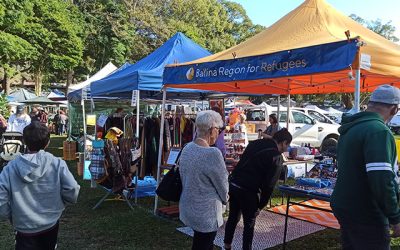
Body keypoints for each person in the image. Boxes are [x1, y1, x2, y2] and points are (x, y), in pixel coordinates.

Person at [331, 84, 400, 250]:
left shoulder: (351, 128)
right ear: (394, 109)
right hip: (367, 211)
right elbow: (381, 179)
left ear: (370, 103)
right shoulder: (378, 131)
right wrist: (395, 218)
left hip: (346, 205)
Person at [0, 122, 80, 249]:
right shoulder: (57, 163)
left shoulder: (10, 168)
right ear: (47, 142)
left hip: (23, 225)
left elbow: (1, 198)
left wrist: (9, 215)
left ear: (24, 142)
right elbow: (72, 189)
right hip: (50, 222)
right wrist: (62, 203)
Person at [224, 128, 292, 250]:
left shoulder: (255, 143)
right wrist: (261, 206)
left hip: (235, 183)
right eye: (288, 145)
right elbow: (269, 185)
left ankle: (227, 245)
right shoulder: (276, 157)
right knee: (249, 223)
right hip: (249, 190)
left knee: (233, 217)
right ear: (283, 142)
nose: (287, 148)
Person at [179, 110, 229, 250]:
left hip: (189, 206)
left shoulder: (187, 148)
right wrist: (226, 198)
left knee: (199, 243)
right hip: (206, 213)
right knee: (205, 245)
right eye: (218, 130)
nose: (218, 133)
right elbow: (223, 184)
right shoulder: (213, 154)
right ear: (212, 129)